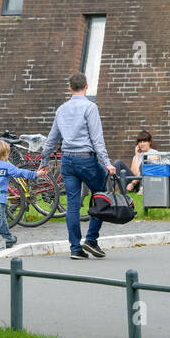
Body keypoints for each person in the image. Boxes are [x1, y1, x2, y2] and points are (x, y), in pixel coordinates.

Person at [42, 72, 117, 260]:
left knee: (73, 206)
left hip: (67, 161)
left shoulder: (61, 109)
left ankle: (75, 248)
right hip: (86, 160)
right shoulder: (90, 107)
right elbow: (97, 139)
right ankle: (91, 239)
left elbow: (51, 139)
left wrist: (44, 162)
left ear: (69, 88)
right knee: (101, 195)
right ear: (86, 86)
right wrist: (107, 163)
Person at [0, 139, 45, 255]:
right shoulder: (6, 165)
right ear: (5, 154)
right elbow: (20, 173)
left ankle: (9, 239)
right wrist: (35, 174)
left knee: (1, 220)